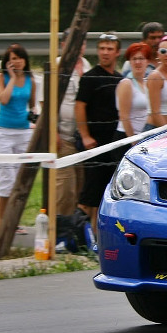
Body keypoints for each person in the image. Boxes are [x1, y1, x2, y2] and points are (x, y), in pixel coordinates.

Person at [75, 32, 122, 230]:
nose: (105, 52)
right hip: (94, 143)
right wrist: (85, 135)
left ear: (117, 52)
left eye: (109, 49)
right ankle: (78, 233)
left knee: (104, 194)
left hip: (113, 142)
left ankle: (96, 235)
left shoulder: (120, 79)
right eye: (102, 48)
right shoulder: (89, 77)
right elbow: (79, 106)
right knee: (89, 194)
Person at [0, 43, 36, 235]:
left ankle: (14, 221)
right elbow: (3, 98)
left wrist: (34, 117)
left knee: (20, 180)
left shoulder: (30, 80)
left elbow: (32, 105)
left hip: (23, 132)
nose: (16, 62)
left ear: (25, 60)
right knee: (6, 180)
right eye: (12, 59)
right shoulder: (1, 77)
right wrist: (12, 78)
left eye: (19, 58)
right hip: (4, 131)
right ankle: (1, 222)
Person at [55, 31, 91, 215]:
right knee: (64, 189)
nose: (79, 47)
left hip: (83, 137)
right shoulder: (57, 65)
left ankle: (74, 227)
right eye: (74, 42)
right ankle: (58, 226)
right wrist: (54, 133)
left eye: (82, 43)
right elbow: (46, 102)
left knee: (81, 187)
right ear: (63, 45)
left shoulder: (86, 65)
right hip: (64, 136)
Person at [117, 42, 153, 136]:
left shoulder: (147, 82)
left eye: (141, 58)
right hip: (127, 136)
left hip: (143, 134)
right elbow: (124, 116)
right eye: (134, 59)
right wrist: (133, 140)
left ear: (148, 61)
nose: (137, 62)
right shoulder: (126, 83)